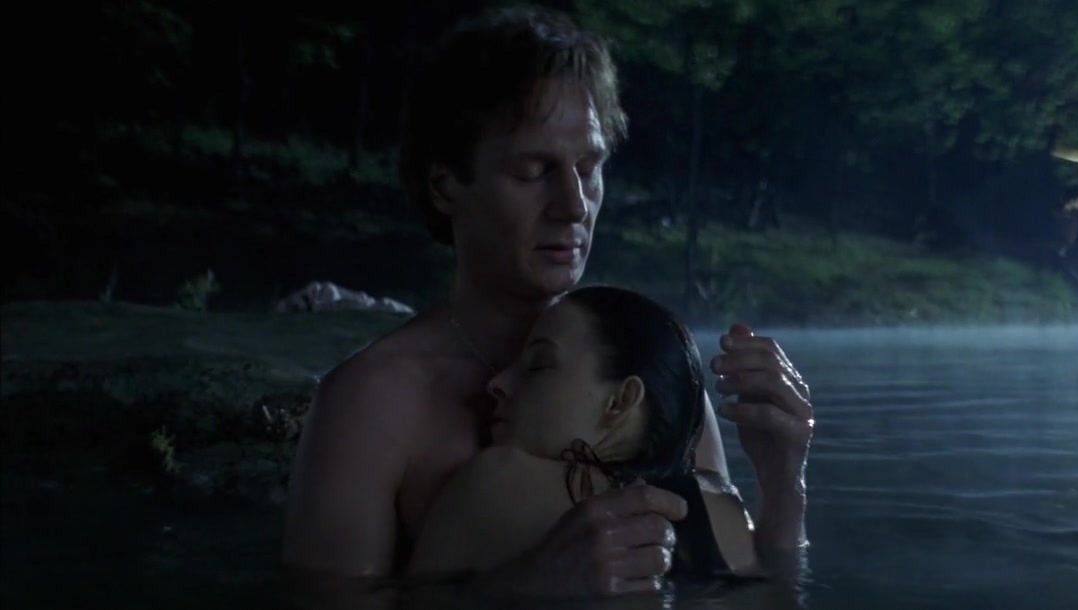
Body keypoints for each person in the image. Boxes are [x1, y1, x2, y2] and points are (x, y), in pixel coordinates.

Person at [279, 6, 813, 599]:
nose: (574, 205)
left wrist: (783, 483)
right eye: (534, 172)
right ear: (445, 185)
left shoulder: (649, 367)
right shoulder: (371, 403)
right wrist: (521, 588)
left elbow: (738, 586)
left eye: (588, 167)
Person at [405, 285, 759, 584]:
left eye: (538, 365)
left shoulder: (493, 483)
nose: (497, 383)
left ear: (619, 402)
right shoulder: (725, 509)